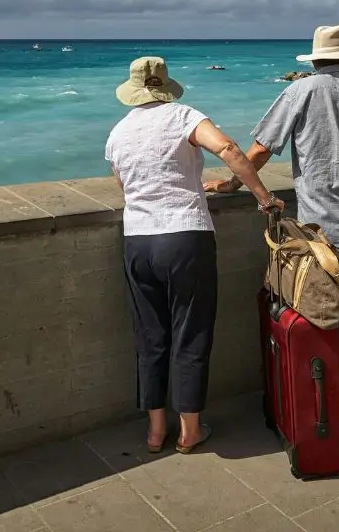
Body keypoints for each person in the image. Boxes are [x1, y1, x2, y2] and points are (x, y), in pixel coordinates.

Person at [204, 24, 339, 384]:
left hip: (325, 231)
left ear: (315, 61)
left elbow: (262, 148)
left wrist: (233, 183)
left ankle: (328, 405)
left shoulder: (300, 91)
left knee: (325, 316)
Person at [106, 56, 283, 454]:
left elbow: (128, 185)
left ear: (133, 91)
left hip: (138, 240)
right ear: (166, 86)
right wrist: (264, 198)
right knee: (190, 332)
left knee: (150, 337)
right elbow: (229, 148)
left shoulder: (117, 133)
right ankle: (189, 430)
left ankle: (155, 430)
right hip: (185, 236)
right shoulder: (183, 116)